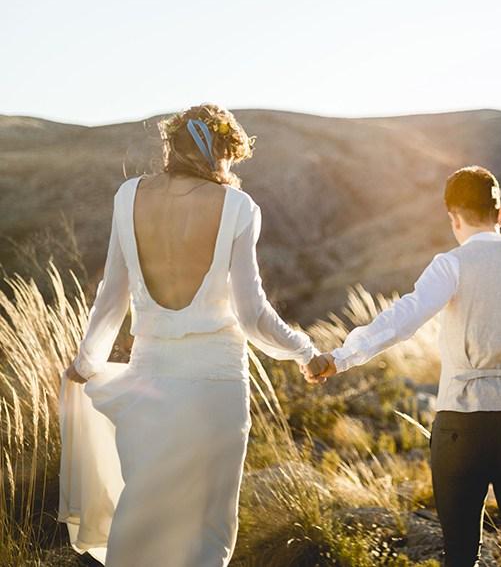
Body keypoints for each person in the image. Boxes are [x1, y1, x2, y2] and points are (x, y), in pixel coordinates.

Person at [59, 104, 329, 566]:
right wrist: (305, 352)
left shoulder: (128, 197)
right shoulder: (239, 207)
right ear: (220, 152)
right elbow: (252, 315)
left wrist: (84, 366)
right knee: (206, 533)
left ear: (172, 145)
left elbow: (111, 298)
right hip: (216, 389)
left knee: (142, 518)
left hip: (150, 382)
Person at [307, 165, 501, 567]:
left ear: (453, 217)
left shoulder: (450, 265)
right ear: (500, 214)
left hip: (461, 424)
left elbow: (403, 319)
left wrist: (339, 358)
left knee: (459, 556)